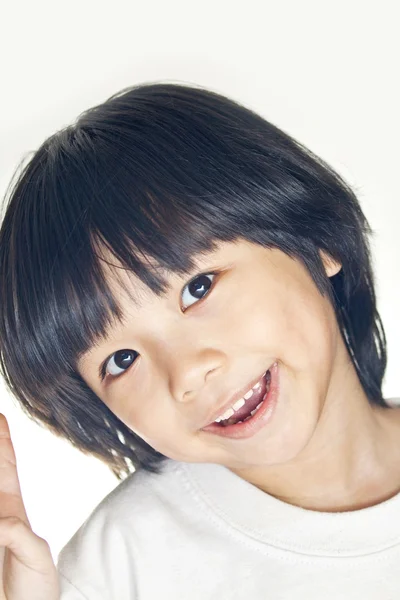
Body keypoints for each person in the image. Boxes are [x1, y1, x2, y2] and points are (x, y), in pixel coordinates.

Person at [0, 83, 399, 600]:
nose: (187, 373)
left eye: (198, 287)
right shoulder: (117, 570)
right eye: (121, 360)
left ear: (315, 239)